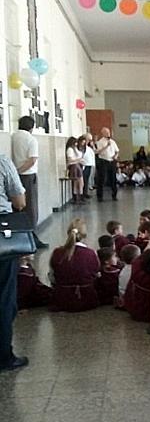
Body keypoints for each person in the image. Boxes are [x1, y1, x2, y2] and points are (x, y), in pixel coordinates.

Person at [0, 153, 29, 371]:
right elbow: (20, 201)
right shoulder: (2, 161)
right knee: (4, 296)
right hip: (2, 236)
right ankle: (3, 356)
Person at [48, 219, 100, 312]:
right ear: (84, 235)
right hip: (87, 299)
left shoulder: (57, 252)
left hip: (61, 299)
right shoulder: (91, 253)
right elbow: (95, 274)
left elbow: (52, 277)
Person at [10, 116, 47, 248]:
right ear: (31, 127)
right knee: (30, 208)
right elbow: (32, 160)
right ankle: (31, 239)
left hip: (14, 176)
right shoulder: (31, 139)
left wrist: (15, 172)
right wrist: (19, 171)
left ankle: (17, 238)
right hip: (28, 176)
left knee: (16, 207)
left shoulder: (13, 137)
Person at [95, 128, 119, 202]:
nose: (108, 134)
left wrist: (116, 156)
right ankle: (100, 196)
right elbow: (98, 152)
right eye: (106, 132)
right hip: (103, 161)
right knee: (102, 179)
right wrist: (106, 146)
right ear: (103, 133)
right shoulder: (100, 142)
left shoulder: (113, 141)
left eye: (109, 132)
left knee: (113, 179)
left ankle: (114, 195)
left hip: (112, 161)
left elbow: (117, 151)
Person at [65, 137, 85, 204]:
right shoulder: (70, 149)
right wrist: (79, 160)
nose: (76, 144)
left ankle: (80, 196)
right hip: (73, 166)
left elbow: (80, 155)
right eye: (75, 142)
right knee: (76, 183)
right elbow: (70, 159)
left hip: (78, 165)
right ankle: (76, 198)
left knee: (80, 182)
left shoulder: (75, 149)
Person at [80, 134, 95, 199]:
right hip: (84, 165)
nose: (89, 141)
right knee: (83, 179)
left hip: (89, 164)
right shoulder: (82, 147)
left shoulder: (88, 147)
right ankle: (82, 194)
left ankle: (85, 192)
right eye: (88, 139)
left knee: (87, 179)